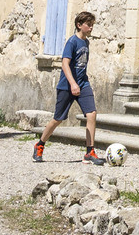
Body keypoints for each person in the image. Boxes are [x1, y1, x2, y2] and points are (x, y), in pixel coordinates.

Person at [32, 10, 104, 163]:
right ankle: (40, 145)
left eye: (92, 25)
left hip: (83, 84)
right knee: (58, 119)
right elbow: (65, 64)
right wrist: (72, 84)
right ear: (79, 25)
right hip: (67, 85)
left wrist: (80, 83)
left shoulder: (86, 42)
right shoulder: (72, 42)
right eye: (88, 25)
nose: (91, 28)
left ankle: (89, 152)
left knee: (91, 114)